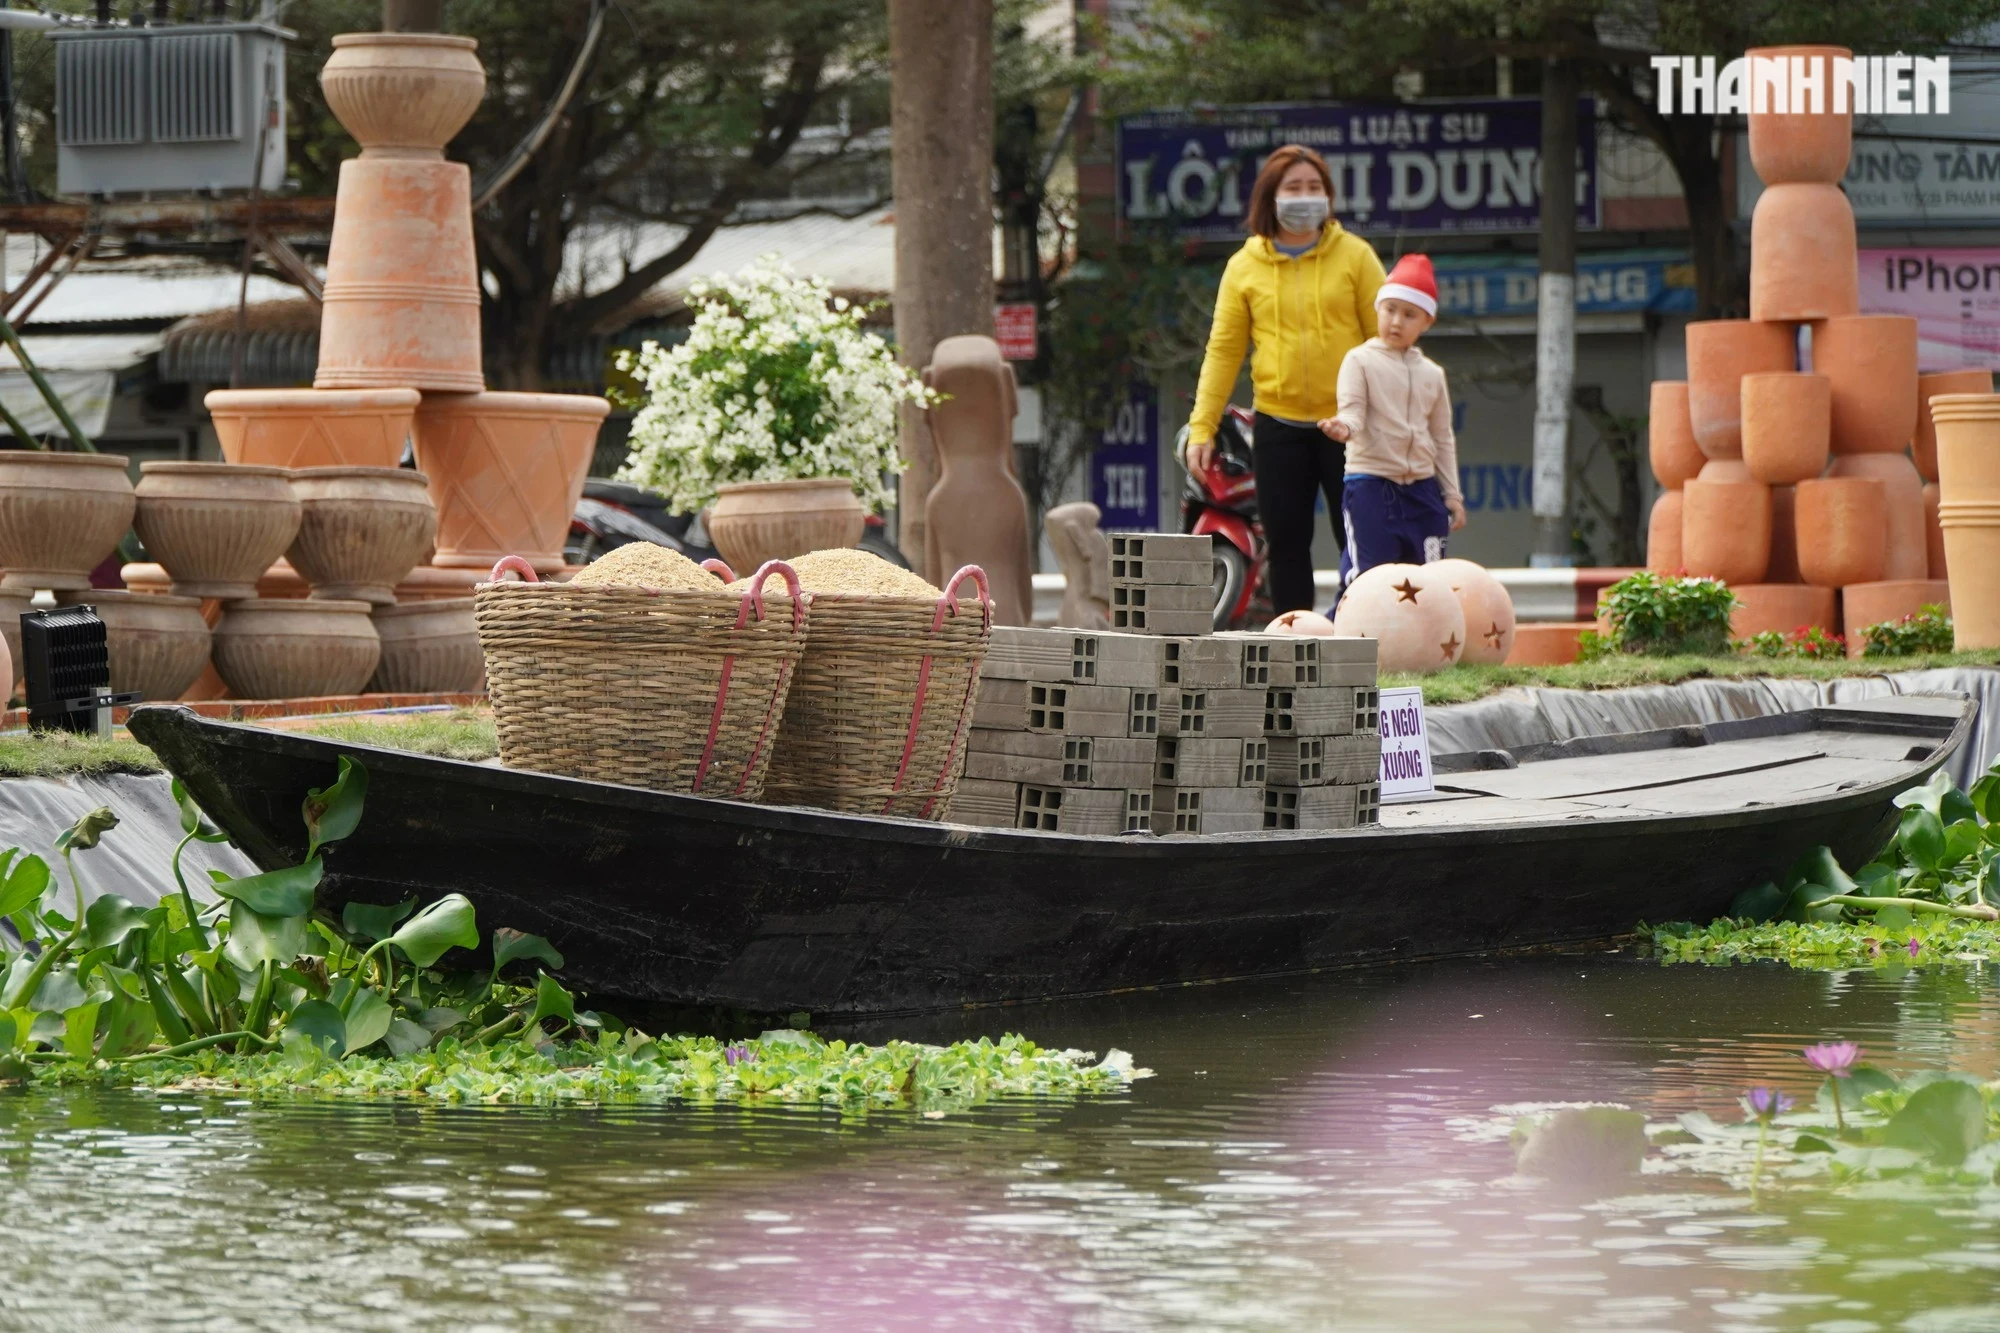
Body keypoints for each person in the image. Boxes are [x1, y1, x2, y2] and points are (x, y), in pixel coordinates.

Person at [1183, 144, 1387, 613]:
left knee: (1359, 545)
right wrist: (1202, 426)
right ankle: (1297, 653)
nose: (1305, 197)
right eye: (1293, 188)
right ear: (1270, 197)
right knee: (1288, 545)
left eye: (1314, 187)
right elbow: (1224, 351)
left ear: (1329, 197)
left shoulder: (1355, 257)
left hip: (1350, 428)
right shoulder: (1244, 267)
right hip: (1277, 426)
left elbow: (1385, 342)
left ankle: (1373, 641)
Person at [1317, 253, 1465, 588]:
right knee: (1369, 581)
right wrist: (1343, 427)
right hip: (1371, 484)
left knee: (1428, 584)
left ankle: (1423, 642)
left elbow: (1442, 437)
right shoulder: (1360, 360)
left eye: (1409, 314)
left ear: (1427, 321)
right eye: (1389, 310)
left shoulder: (1432, 374)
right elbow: (1352, 412)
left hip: (1424, 492)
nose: (1396, 321)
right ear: (1377, 309)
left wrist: (1452, 494)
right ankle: (1348, 635)